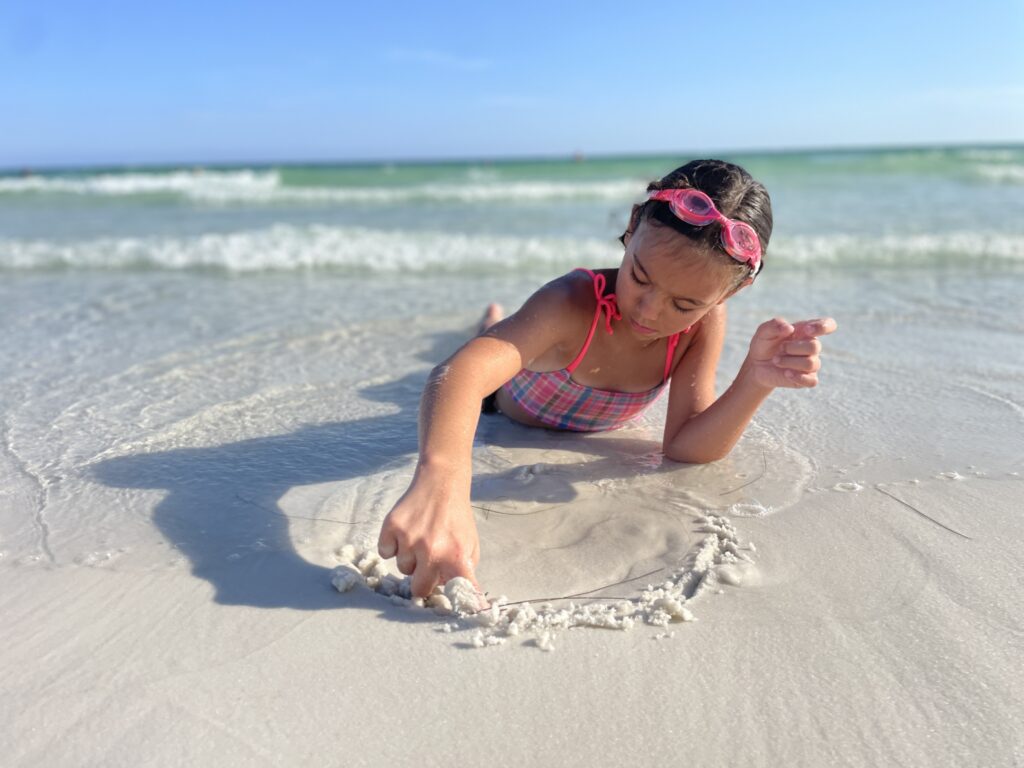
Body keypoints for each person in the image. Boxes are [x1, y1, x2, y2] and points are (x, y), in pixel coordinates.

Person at [377, 159, 837, 600]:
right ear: (633, 225)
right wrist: (443, 482)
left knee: (501, 334)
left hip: (565, 394)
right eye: (639, 277)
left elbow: (684, 445)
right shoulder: (572, 304)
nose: (650, 312)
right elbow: (461, 375)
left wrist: (754, 380)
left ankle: (495, 321)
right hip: (505, 399)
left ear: (734, 290)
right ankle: (492, 322)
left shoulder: (705, 323)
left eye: (683, 305)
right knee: (488, 346)